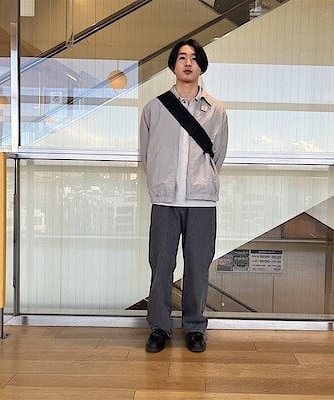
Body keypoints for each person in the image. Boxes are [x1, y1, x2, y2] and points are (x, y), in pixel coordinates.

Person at [139, 38, 228, 353]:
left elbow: (217, 155)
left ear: (201, 66)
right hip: (165, 200)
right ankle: (159, 327)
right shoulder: (155, 108)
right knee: (161, 266)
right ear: (173, 65)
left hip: (201, 202)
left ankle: (194, 328)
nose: (187, 63)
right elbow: (146, 154)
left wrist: (202, 182)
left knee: (198, 267)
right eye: (181, 57)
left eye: (193, 58)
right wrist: (160, 182)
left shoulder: (216, 110)